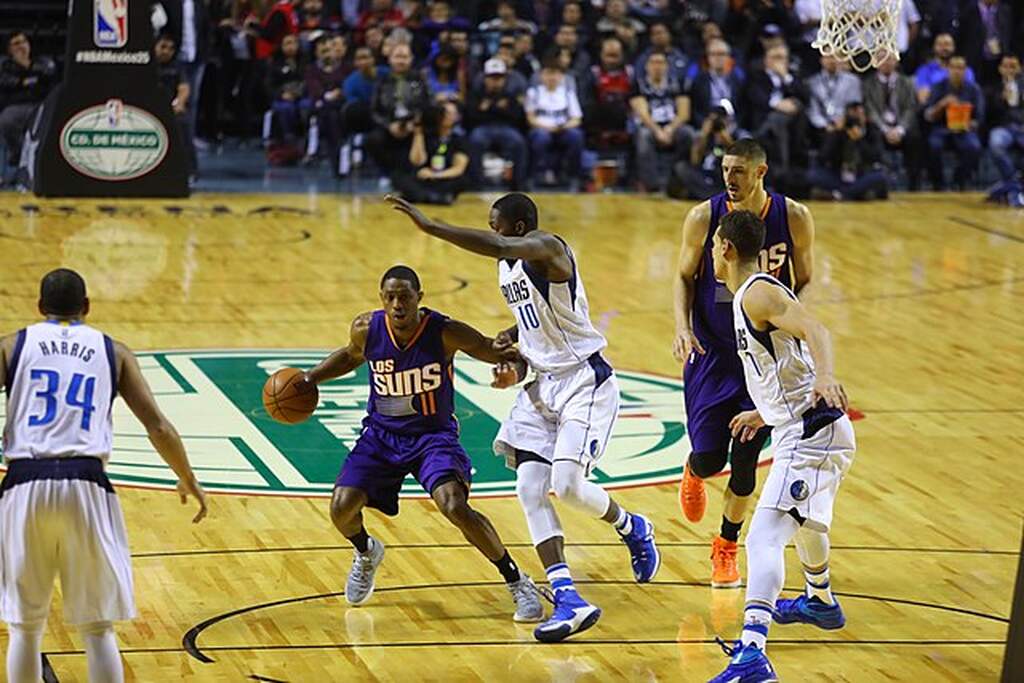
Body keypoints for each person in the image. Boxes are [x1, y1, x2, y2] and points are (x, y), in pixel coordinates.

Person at [387, 193, 660, 644]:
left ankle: (633, 526)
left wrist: (432, 227)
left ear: (519, 229)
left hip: (582, 382)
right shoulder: (507, 267)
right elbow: (534, 321)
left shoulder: (550, 249)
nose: (493, 232)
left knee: (568, 486)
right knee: (529, 488)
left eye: (497, 226)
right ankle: (568, 597)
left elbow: (502, 250)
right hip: (542, 385)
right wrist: (513, 352)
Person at [296, 266, 542, 621]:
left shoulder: (444, 332)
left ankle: (517, 580)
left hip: (433, 437)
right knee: (340, 507)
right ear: (382, 299)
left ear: (419, 298)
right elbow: (350, 355)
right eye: (390, 297)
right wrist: (310, 377)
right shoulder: (366, 329)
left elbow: (494, 350)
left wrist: (511, 366)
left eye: (405, 297)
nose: (397, 304)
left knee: (455, 506)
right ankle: (366, 551)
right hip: (381, 436)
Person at [0, 269, 207, 683]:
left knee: (25, 627)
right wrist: (188, 477)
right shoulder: (113, 351)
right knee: (97, 628)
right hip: (87, 484)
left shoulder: (11, 346)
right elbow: (159, 427)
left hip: (24, 482)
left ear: (40, 308)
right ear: (87, 307)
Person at [707, 209, 855, 683]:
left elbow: (817, 331)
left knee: (763, 536)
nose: (712, 251)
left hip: (811, 432)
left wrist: (827, 375)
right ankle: (820, 600)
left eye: (714, 244)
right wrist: (765, 412)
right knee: (806, 519)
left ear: (726, 248)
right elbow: (784, 364)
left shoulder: (758, 292)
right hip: (803, 427)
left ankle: (751, 653)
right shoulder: (748, 297)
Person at [673, 138, 814, 588]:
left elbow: (805, 280)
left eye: (738, 171)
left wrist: (792, 327)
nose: (728, 179)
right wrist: (681, 326)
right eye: (725, 169)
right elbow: (681, 275)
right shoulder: (703, 217)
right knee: (712, 456)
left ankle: (726, 545)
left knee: (748, 461)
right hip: (712, 352)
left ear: (760, 172)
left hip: (761, 355)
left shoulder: (792, 217)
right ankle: (694, 469)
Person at [629, 50, 691, 193]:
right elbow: (642, 113)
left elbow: (684, 113)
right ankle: (652, 185)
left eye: (661, 63)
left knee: (688, 134)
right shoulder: (639, 84)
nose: (657, 66)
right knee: (643, 136)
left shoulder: (678, 83)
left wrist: (670, 129)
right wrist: (657, 131)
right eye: (653, 63)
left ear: (667, 66)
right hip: (650, 126)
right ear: (646, 66)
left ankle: (678, 178)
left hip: (672, 126)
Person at [861, 51, 923, 191]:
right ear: (875, 62)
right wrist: (885, 129)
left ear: (896, 61)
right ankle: (882, 182)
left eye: (890, 59)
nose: (886, 62)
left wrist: (900, 129)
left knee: (915, 137)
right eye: (882, 59)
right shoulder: (868, 83)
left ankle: (914, 184)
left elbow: (911, 108)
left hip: (901, 125)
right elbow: (870, 109)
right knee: (872, 135)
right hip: (879, 126)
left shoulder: (907, 82)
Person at [366, 43, 431, 174]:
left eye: (405, 57)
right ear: (390, 59)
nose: (401, 61)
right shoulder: (382, 81)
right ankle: (389, 172)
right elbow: (374, 110)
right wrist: (389, 125)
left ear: (411, 59)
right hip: (390, 123)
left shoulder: (419, 79)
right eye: (397, 57)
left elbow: (428, 104)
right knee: (373, 140)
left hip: (414, 125)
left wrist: (415, 123)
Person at [466, 57, 529, 191]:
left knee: (518, 142)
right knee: (475, 140)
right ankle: (476, 184)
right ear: (485, 78)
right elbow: (470, 117)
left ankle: (518, 184)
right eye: (492, 77)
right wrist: (499, 109)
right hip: (482, 128)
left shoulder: (510, 94)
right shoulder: (476, 94)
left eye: (499, 77)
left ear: (504, 79)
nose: (495, 81)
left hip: (507, 128)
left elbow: (517, 117)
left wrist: (488, 109)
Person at [392, 101, 472, 204]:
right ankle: (434, 197)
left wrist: (435, 175)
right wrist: (418, 133)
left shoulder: (459, 140)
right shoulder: (426, 136)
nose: (446, 116)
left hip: (443, 178)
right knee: (399, 177)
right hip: (423, 179)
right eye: (443, 113)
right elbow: (417, 162)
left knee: (462, 180)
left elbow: (458, 169)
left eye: (450, 113)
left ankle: (423, 196)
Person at [923, 55, 983, 190]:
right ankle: (938, 183)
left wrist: (968, 123)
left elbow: (979, 118)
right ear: (948, 69)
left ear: (965, 70)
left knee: (974, 147)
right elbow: (927, 115)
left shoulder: (974, 89)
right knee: (933, 145)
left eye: (960, 68)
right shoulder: (938, 87)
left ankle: (960, 180)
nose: (957, 71)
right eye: (954, 67)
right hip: (941, 128)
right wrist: (941, 104)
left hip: (964, 130)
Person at [808, 102, 889, 201]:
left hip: (861, 175)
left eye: (859, 115)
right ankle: (856, 194)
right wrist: (836, 133)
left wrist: (860, 141)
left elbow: (876, 156)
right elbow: (823, 157)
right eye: (852, 116)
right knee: (812, 175)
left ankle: (838, 195)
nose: (855, 119)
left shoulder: (872, 130)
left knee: (881, 176)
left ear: (865, 117)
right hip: (838, 175)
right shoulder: (838, 132)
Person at [0, 32, 56, 173]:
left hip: (40, 105)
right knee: (7, 119)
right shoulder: (5, 66)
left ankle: (42, 158)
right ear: (9, 50)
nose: (21, 46)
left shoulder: (42, 62)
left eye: (24, 42)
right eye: (16, 43)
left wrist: (27, 69)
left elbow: (48, 76)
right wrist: (27, 80)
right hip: (16, 106)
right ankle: (19, 155)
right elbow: (8, 83)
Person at [525, 58, 584, 187]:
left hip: (563, 129)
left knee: (576, 136)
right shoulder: (534, 93)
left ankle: (573, 176)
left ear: (561, 76)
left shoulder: (568, 93)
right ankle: (536, 175)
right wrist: (548, 127)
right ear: (541, 75)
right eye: (548, 73)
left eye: (555, 73)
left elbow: (576, 118)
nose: (552, 77)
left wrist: (564, 126)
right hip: (541, 128)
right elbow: (530, 118)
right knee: (541, 137)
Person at [154, 34, 198, 179]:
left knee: (183, 123)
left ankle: (191, 171)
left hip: (171, 108)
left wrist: (179, 103)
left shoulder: (177, 66)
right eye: (163, 47)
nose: (167, 51)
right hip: (151, 108)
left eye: (171, 48)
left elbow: (184, 88)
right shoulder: (146, 64)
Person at [805, 54, 862, 145]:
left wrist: (843, 120)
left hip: (846, 123)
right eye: (828, 57)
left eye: (835, 57)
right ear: (821, 60)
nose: (832, 61)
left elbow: (854, 106)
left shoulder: (852, 80)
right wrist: (825, 125)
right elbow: (813, 110)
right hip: (822, 126)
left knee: (854, 132)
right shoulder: (812, 82)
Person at [986, 54, 1024, 183]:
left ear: (1020, 69)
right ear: (1000, 69)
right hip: (1002, 128)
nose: (1009, 70)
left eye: (1013, 67)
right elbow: (988, 114)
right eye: (1006, 66)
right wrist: (1001, 100)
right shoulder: (991, 88)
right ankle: (1013, 180)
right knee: (996, 144)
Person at [914, 33, 975, 105]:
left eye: (947, 44)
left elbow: (969, 96)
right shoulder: (924, 70)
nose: (944, 48)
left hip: (960, 110)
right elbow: (923, 98)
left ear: (954, 47)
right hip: (933, 111)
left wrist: (933, 93)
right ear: (934, 47)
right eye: (940, 44)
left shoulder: (966, 70)